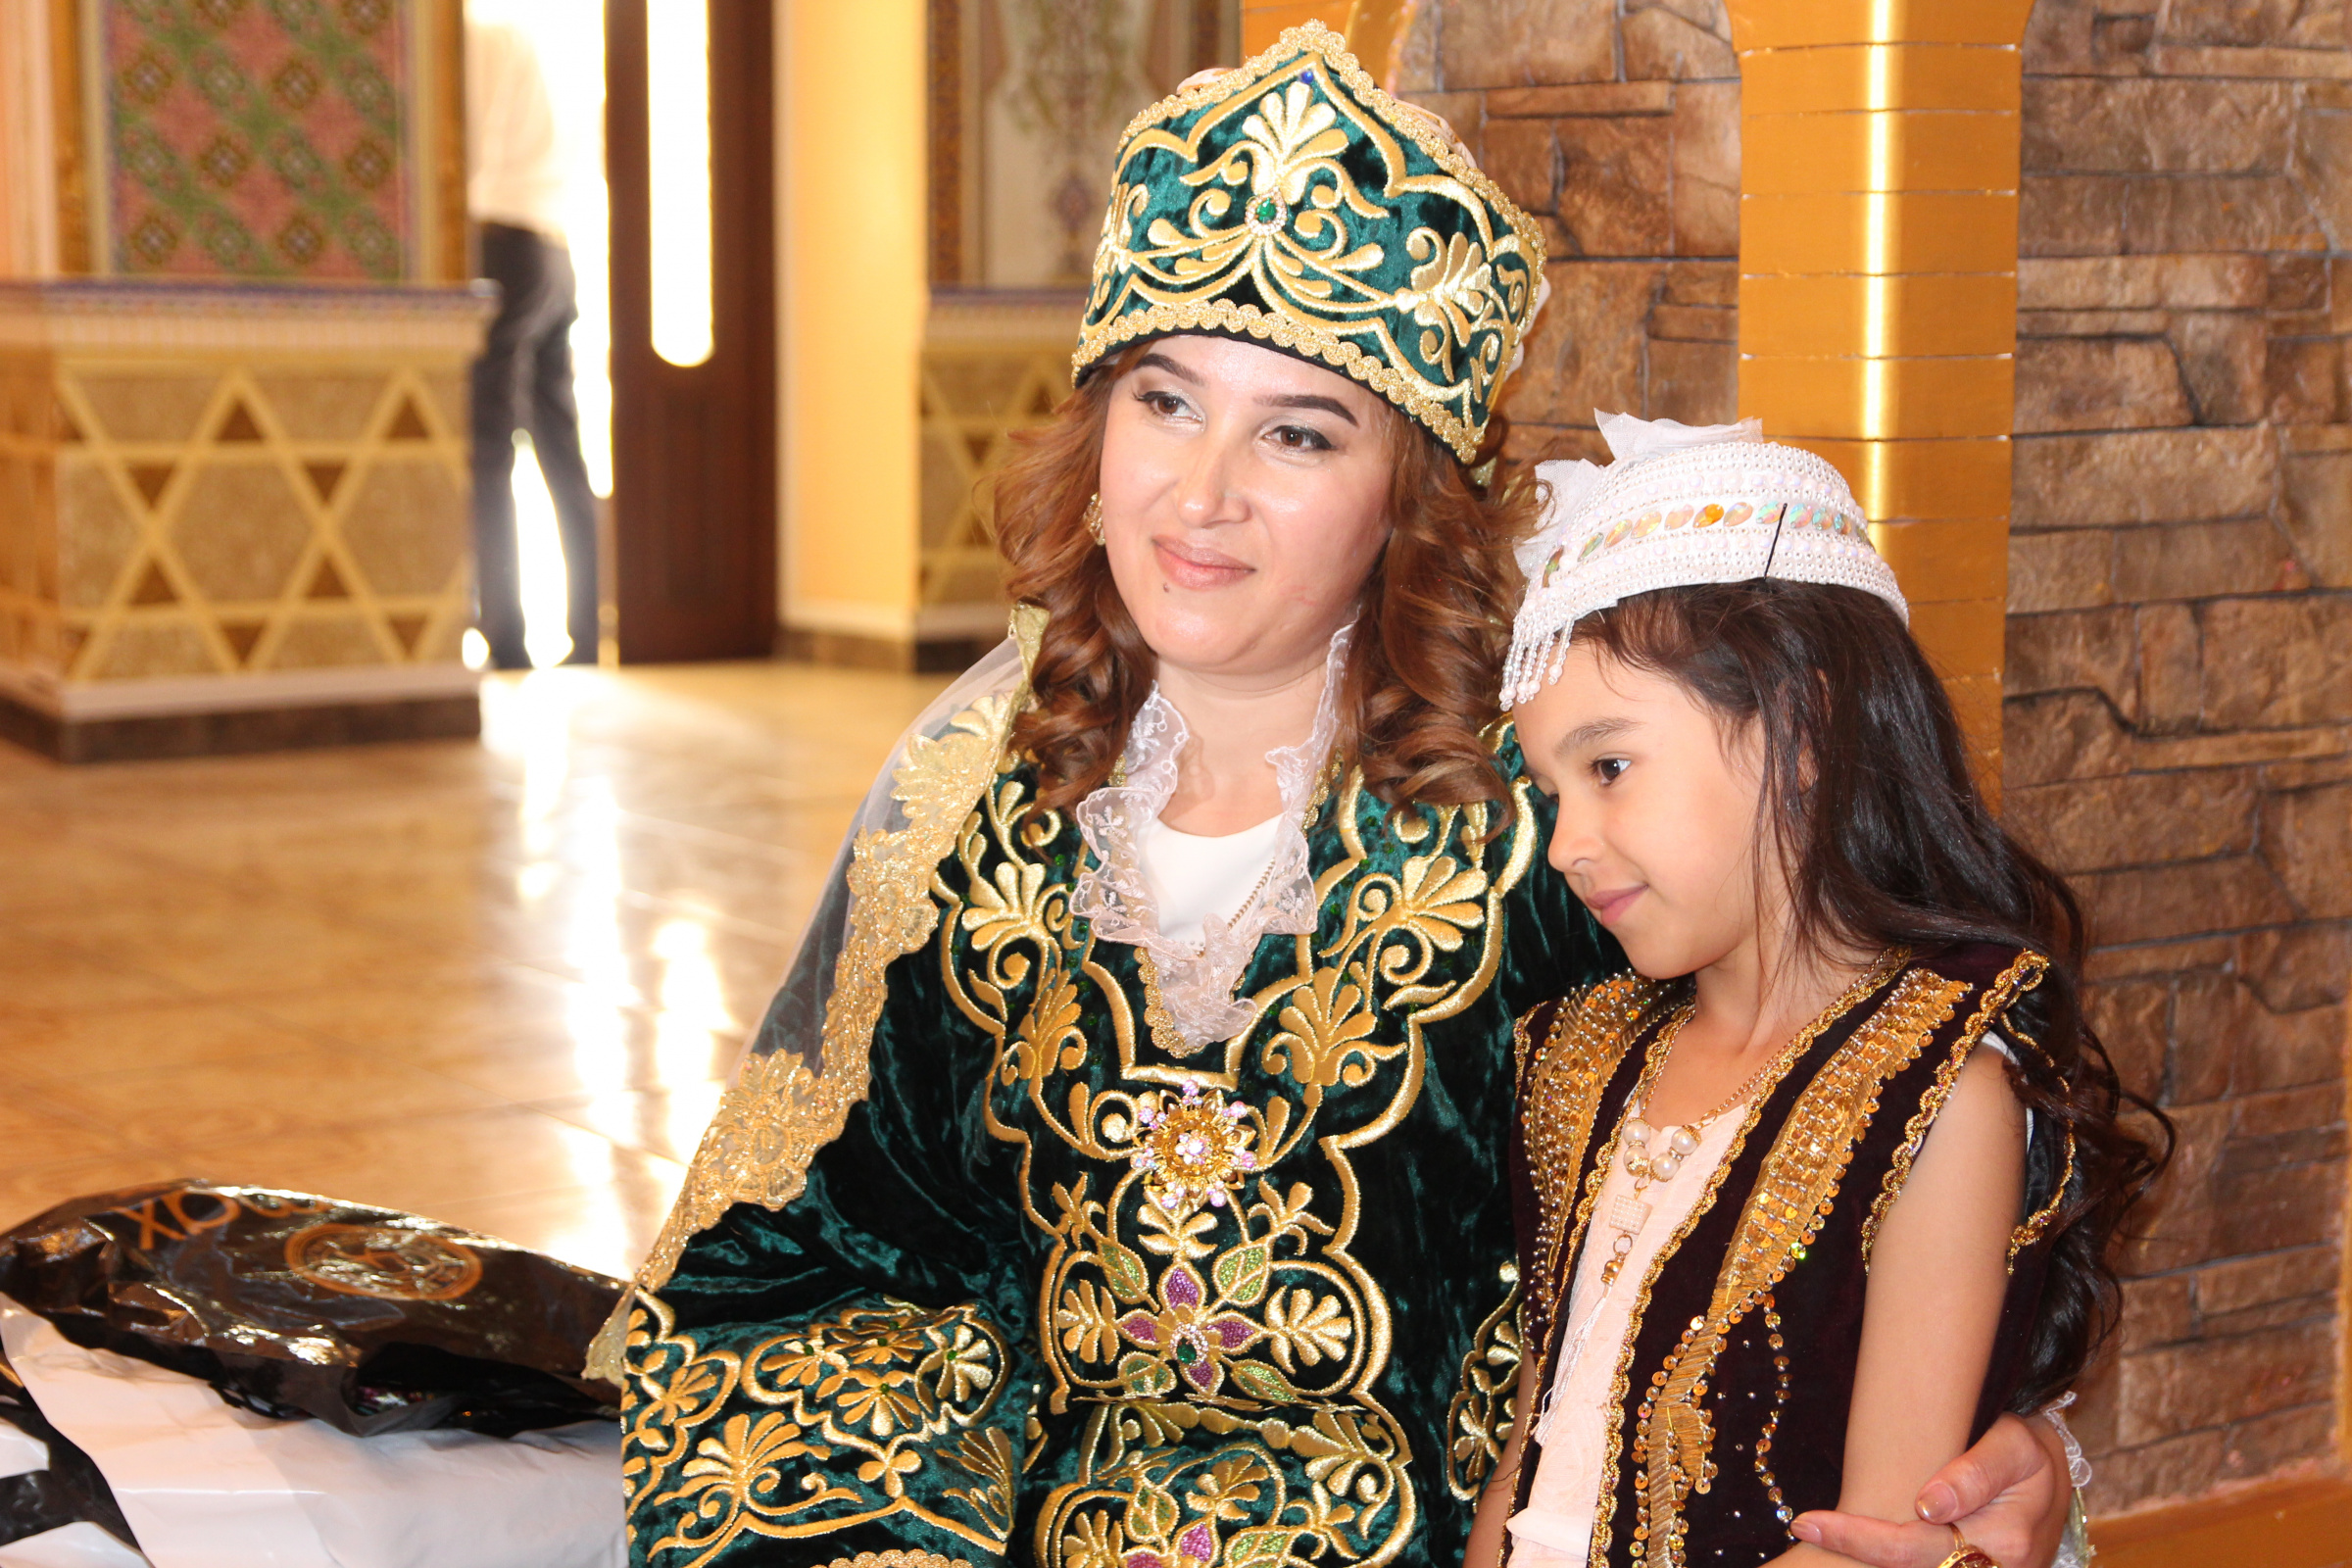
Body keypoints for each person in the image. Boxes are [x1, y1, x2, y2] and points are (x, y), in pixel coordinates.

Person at [606, 25, 2084, 1568]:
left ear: (1409, 499)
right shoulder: (979, 809)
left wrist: (2025, 1455)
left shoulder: (1542, 819)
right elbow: (813, 1263)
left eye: (1298, 433)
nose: (1202, 495)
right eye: (1166, 403)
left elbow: (1829, 1128)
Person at [1467, 415, 2169, 1568]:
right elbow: (1533, 1444)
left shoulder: (1933, 1086)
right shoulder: (1582, 1056)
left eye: (1609, 767)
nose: (1567, 843)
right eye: (1553, 792)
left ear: (1803, 726)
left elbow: (1878, 1535)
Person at [466, 17, 598, 668]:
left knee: (488, 450)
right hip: (552, 252)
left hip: (503, 247)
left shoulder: (470, 41)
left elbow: (465, 154)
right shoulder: (534, 47)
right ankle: (588, 635)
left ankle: (507, 641)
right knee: (560, 449)